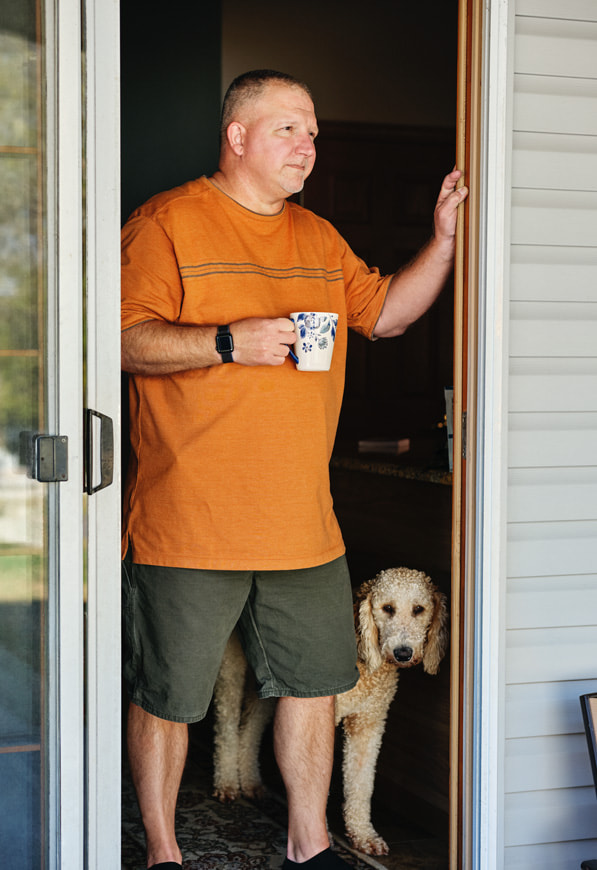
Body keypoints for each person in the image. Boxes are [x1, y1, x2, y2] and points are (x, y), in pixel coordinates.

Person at [121, 69, 468, 870]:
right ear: (237, 136)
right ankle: (165, 852)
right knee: (169, 697)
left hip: (303, 525)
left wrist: (443, 240)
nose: (307, 147)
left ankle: (309, 842)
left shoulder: (317, 237)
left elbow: (385, 314)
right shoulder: (164, 225)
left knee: (313, 686)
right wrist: (224, 341)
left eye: (312, 133)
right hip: (188, 521)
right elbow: (119, 340)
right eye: (287, 130)